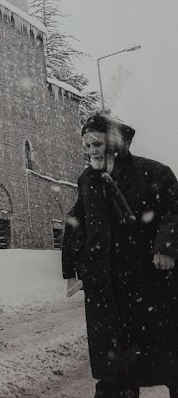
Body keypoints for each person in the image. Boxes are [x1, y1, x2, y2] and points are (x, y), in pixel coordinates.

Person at [62, 113, 178, 398]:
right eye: (86, 146)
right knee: (114, 373)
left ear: (116, 144)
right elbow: (75, 222)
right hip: (107, 291)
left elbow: (175, 211)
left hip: (151, 285)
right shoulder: (88, 181)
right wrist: (75, 269)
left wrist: (166, 246)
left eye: (97, 144)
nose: (91, 151)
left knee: (169, 361)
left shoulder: (153, 173)